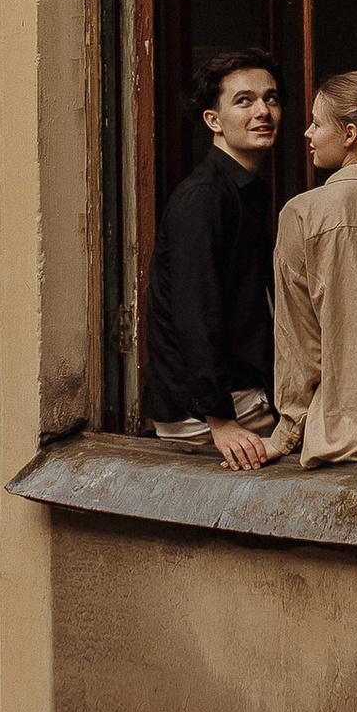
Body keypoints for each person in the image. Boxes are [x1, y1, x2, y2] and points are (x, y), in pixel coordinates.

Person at [142, 50, 284, 470]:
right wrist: (221, 420)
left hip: (237, 396)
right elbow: (194, 314)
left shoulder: (244, 191)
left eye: (271, 98)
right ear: (213, 121)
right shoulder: (204, 198)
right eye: (244, 101)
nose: (263, 111)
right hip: (209, 412)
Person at [271, 68, 357, 466]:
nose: (307, 133)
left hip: (343, 437)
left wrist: (287, 433)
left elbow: (298, 342)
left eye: (317, 123)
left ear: (350, 134)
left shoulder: (302, 214)